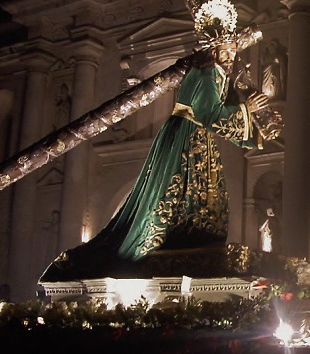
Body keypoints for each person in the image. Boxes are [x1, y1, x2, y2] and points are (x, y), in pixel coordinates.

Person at [40, 34, 271, 282]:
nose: (230, 56)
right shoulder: (207, 73)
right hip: (187, 135)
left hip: (195, 136)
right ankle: (179, 238)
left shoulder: (216, 74)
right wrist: (247, 109)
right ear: (212, 51)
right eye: (225, 50)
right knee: (180, 190)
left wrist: (256, 125)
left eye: (233, 50)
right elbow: (210, 115)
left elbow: (219, 114)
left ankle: (191, 237)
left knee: (200, 191)